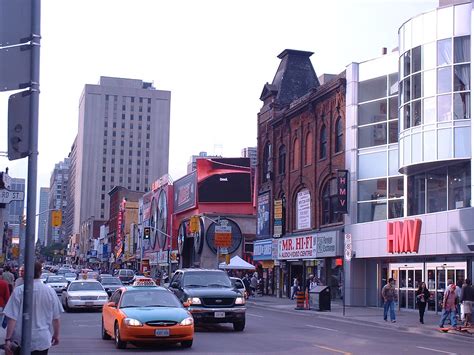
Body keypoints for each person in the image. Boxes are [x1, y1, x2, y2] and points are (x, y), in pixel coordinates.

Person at [4, 261, 63, 354]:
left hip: (20, 339)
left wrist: (8, 339)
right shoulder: (50, 292)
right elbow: (56, 318)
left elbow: (12, 318)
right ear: (40, 273)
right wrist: (56, 335)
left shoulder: (19, 291)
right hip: (42, 339)